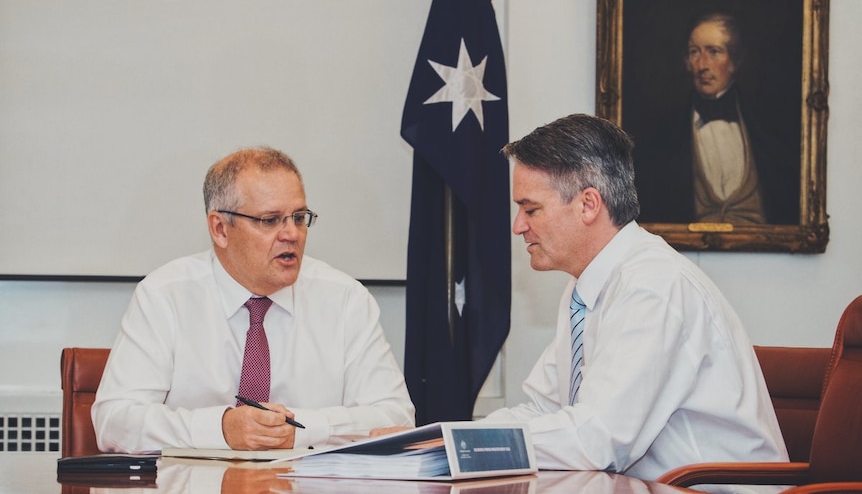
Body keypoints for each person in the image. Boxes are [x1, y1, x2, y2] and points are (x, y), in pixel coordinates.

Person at [484, 113, 788, 480]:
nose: (518, 225)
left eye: (531, 209)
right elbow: (541, 409)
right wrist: (452, 442)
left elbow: (600, 440)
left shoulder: (655, 286)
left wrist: (482, 447)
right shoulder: (585, 289)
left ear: (588, 205)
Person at [92, 147, 415, 453]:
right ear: (220, 229)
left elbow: (396, 418)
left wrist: (301, 430)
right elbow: (115, 422)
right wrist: (221, 429)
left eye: (299, 217)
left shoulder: (345, 299)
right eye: (270, 220)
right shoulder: (166, 295)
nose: (291, 234)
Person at [634, 12, 799, 225]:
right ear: (686, 62)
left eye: (714, 52)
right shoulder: (665, 138)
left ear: (734, 61)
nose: (703, 64)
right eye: (695, 52)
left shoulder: (767, 131)